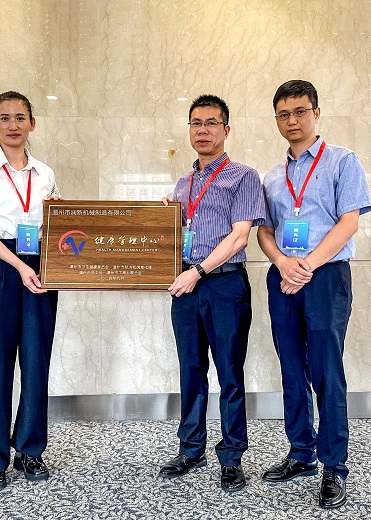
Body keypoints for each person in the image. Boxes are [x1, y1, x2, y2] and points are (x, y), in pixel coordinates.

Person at [257, 80, 371, 509]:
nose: (292, 120)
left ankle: (334, 467)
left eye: (300, 111)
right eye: (284, 114)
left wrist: (306, 265)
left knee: (326, 371)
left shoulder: (342, 160)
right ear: (276, 119)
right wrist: (282, 262)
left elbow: (349, 222)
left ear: (317, 113)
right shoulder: (272, 176)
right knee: (291, 369)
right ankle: (301, 453)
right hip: (284, 278)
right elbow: (265, 231)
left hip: (325, 276)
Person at [159, 94, 267, 492]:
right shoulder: (183, 184)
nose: (202, 130)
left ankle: (232, 457)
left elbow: (240, 237)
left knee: (229, 373)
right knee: (190, 370)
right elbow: (175, 237)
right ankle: (191, 450)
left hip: (224, 285)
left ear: (226, 129)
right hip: (185, 287)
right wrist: (162, 218)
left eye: (211, 123)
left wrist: (199, 271)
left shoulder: (244, 177)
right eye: (196, 123)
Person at [0, 91, 61, 491]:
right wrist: (18, 265)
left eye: (21, 117)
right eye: (4, 118)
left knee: (36, 363)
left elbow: (53, 225)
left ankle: (30, 450)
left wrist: (60, 216)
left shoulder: (45, 172)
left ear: (32, 124)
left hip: (40, 267)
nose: (13, 125)